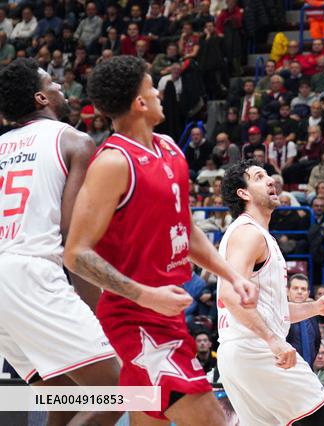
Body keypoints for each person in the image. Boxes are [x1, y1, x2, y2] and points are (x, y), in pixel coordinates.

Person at [65, 56, 258, 424]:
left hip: (168, 316)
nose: (157, 93)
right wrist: (145, 294)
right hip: (133, 319)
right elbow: (76, 254)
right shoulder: (113, 162)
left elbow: (183, 227)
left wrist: (232, 276)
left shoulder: (171, 149)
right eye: (152, 87)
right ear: (140, 103)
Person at [0, 59, 122, 426]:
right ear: (41, 98)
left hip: (7, 277)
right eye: (54, 84)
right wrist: (92, 313)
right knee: (117, 392)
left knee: (66, 397)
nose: (61, 90)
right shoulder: (73, 140)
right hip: (31, 273)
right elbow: (74, 238)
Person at [216, 160, 324, 425]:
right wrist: (273, 341)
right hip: (256, 349)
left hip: (240, 352)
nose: (271, 180)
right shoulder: (248, 234)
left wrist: (316, 307)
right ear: (244, 193)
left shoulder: (255, 234)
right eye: (260, 177)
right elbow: (230, 294)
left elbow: (274, 311)